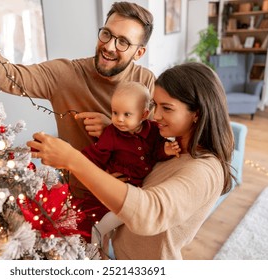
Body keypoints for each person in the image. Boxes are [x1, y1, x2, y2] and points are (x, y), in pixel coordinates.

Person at [0, 1, 155, 219]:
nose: (110, 46)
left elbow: (152, 141)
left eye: (123, 42)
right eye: (107, 34)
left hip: (129, 197)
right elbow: (5, 76)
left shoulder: (145, 81)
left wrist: (112, 127)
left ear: (139, 52)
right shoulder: (65, 74)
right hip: (81, 200)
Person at [27, 62, 235, 259]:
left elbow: (149, 213)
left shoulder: (205, 170)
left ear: (196, 114)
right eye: (155, 105)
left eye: (167, 108)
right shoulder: (169, 143)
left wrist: (73, 160)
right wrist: (117, 131)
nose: (156, 115)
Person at [79, 81, 180, 240]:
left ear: (144, 114)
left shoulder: (154, 130)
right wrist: (85, 166)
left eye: (127, 114)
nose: (119, 119)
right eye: (115, 113)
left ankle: (100, 234)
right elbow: (97, 154)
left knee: (130, 214)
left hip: (139, 188)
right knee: (109, 211)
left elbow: (156, 152)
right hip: (120, 183)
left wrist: (166, 150)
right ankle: (97, 231)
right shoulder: (111, 134)